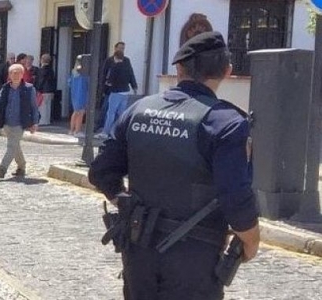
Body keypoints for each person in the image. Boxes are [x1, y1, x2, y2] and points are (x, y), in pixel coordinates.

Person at [88, 31, 260, 300]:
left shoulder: (138, 110)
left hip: (138, 248)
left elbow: (101, 172)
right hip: (194, 259)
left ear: (179, 68)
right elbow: (236, 198)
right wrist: (250, 242)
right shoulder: (226, 123)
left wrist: (127, 203)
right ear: (226, 71)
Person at [0, 64, 39, 179]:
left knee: (11, 146)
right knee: (15, 146)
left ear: (22, 74)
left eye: (18, 73)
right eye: (13, 73)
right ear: (9, 75)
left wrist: (35, 122)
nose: (15, 75)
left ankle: (2, 168)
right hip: (7, 123)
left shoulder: (29, 89)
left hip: (20, 123)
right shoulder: (5, 88)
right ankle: (22, 166)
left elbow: (34, 107)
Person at [94, 42, 137, 134]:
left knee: (115, 112)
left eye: (123, 48)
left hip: (118, 90)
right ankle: (101, 126)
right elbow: (104, 74)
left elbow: (130, 73)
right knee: (105, 108)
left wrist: (134, 86)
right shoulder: (109, 61)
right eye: (120, 48)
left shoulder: (126, 61)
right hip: (109, 90)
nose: (121, 50)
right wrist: (102, 88)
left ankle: (111, 130)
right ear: (115, 48)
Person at [69, 56, 89, 137]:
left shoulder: (73, 72)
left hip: (74, 93)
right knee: (80, 112)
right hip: (82, 94)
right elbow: (88, 84)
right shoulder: (85, 73)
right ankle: (77, 131)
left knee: (76, 112)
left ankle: (71, 130)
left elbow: (69, 83)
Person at [36, 53, 56, 125]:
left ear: (42, 60)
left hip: (43, 90)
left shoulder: (42, 70)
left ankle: (42, 121)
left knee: (42, 107)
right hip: (50, 90)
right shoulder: (51, 70)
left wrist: (38, 89)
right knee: (48, 106)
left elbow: (41, 80)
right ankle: (47, 121)